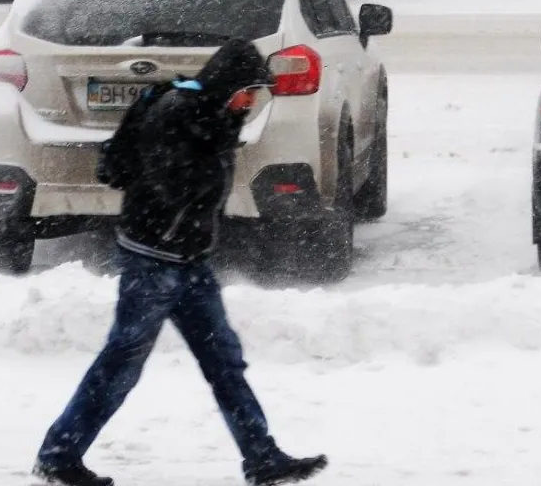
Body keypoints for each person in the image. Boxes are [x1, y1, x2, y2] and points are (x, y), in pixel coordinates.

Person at [31, 39, 327, 486]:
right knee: (121, 364)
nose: (251, 101)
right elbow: (169, 184)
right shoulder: (180, 115)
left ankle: (262, 458)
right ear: (228, 86)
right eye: (248, 92)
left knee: (224, 361)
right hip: (152, 261)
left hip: (188, 262)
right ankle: (58, 456)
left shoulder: (213, 116)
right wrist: (204, 168)